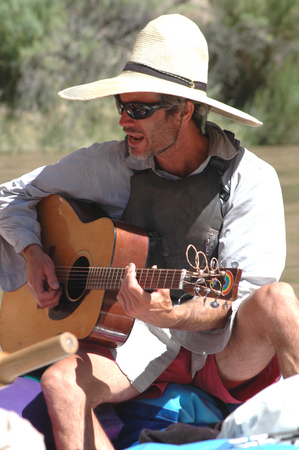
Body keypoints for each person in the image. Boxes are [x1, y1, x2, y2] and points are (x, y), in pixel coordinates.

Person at [0, 13, 298, 450]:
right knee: (61, 385)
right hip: (135, 340)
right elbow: (9, 196)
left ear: (185, 111)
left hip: (222, 351)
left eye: (139, 110)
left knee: (280, 301)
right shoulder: (110, 165)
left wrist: (170, 314)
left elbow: (236, 296)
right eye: (121, 106)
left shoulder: (251, 180)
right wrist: (32, 252)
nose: (124, 121)